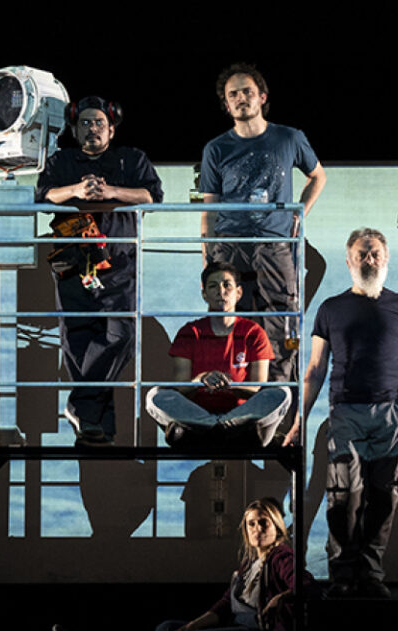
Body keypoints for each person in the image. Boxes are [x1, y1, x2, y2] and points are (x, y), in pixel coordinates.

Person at [283, 228, 398, 597]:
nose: (369, 260)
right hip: (345, 413)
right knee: (342, 496)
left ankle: (371, 575)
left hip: (391, 415)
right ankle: (342, 576)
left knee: (384, 497)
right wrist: (299, 422)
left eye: (375, 253)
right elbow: (315, 369)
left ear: (386, 258)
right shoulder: (331, 308)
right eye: (362, 254)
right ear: (349, 261)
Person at [37, 95, 164, 445]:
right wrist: (77, 190)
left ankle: (80, 404)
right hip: (72, 263)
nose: (92, 129)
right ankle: (95, 428)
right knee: (77, 342)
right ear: (75, 129)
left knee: (121, 336)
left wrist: (110, 191)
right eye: (85, 123)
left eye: (99, 123)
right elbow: (43, 196)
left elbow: (152, 196)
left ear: (111, 129)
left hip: (119, 264)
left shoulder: (132, 159)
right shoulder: (61, 160)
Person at [51, 497, 299, 631]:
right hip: (236, 627)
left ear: (276, 525)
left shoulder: (282, 557)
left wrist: (281, 598)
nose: (257, 529)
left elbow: (305, 586)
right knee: (168, 629)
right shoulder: (248, 565)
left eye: (263, 523)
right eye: (251, 524)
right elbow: (224, 606)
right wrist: (191, 626)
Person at [199, 63, 326, 385]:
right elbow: (210, 209)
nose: (241, 98)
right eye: (233, 94)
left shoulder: (289, 138)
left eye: (247, 92)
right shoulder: (216, 148)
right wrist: (207, 255)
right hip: (231, 244)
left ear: (262, 97)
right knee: (231, 318)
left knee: (282, 318)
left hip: (274, 243)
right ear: (226, 104)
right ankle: (238, 388)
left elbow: (317, 176)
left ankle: (279, 391)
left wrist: (299, 213)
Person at [144, 261, 293, 448]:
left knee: (282, 393)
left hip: (240, 418)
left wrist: (230, 386)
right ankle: (217, 428)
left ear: (238, 292)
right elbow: (182, 388)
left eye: (227, 285)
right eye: (213, 286)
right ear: (204, 294)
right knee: (154, 396)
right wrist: (200, 380)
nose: (221, 291)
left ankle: (217, 429)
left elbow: (257, 388)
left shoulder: (253, 333)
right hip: (198, 417)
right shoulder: (190, 332)